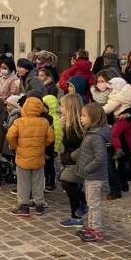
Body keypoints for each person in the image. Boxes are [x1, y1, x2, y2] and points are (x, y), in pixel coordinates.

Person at [7, 97, 55, 218]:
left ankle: (24, 206)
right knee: (38, 181)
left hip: (23, 156)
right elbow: (51, 137)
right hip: (38, 156)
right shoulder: (44, 122)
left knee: (23, 182)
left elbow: (10, 136)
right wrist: (41, 145)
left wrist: (15, 147)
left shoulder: (19, 122)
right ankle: (39, 204)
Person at [73, 103, 110, 242]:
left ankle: (97, 230)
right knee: (90, 202)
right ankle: (91, 226)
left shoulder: (96, 137)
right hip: (89, 176)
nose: (81, 118)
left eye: (83, 116)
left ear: (93, 117)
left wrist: (87, 169)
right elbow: (84, 151)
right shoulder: (90, 133)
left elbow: (99, 158)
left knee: (94, 204)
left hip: (94, 176)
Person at [58, 93, 88, 227]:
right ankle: (75, 217)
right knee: (71, 187)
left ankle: (86, 203)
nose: (60, 109)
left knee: (66, 183)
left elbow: (83, 146)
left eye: (62, 106)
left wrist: (70, 157)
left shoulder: (78, 126)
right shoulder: (66, 123)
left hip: (76, 160)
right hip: (69, 159)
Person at [43, 95, 62, 192]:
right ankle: (47, 181)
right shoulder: (46, 117)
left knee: (51, 167)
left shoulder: (54, 119)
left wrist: (55, 148)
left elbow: (58, 134)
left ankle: (51, 182)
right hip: (47, 147)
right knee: (46, 166)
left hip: (52, 148)